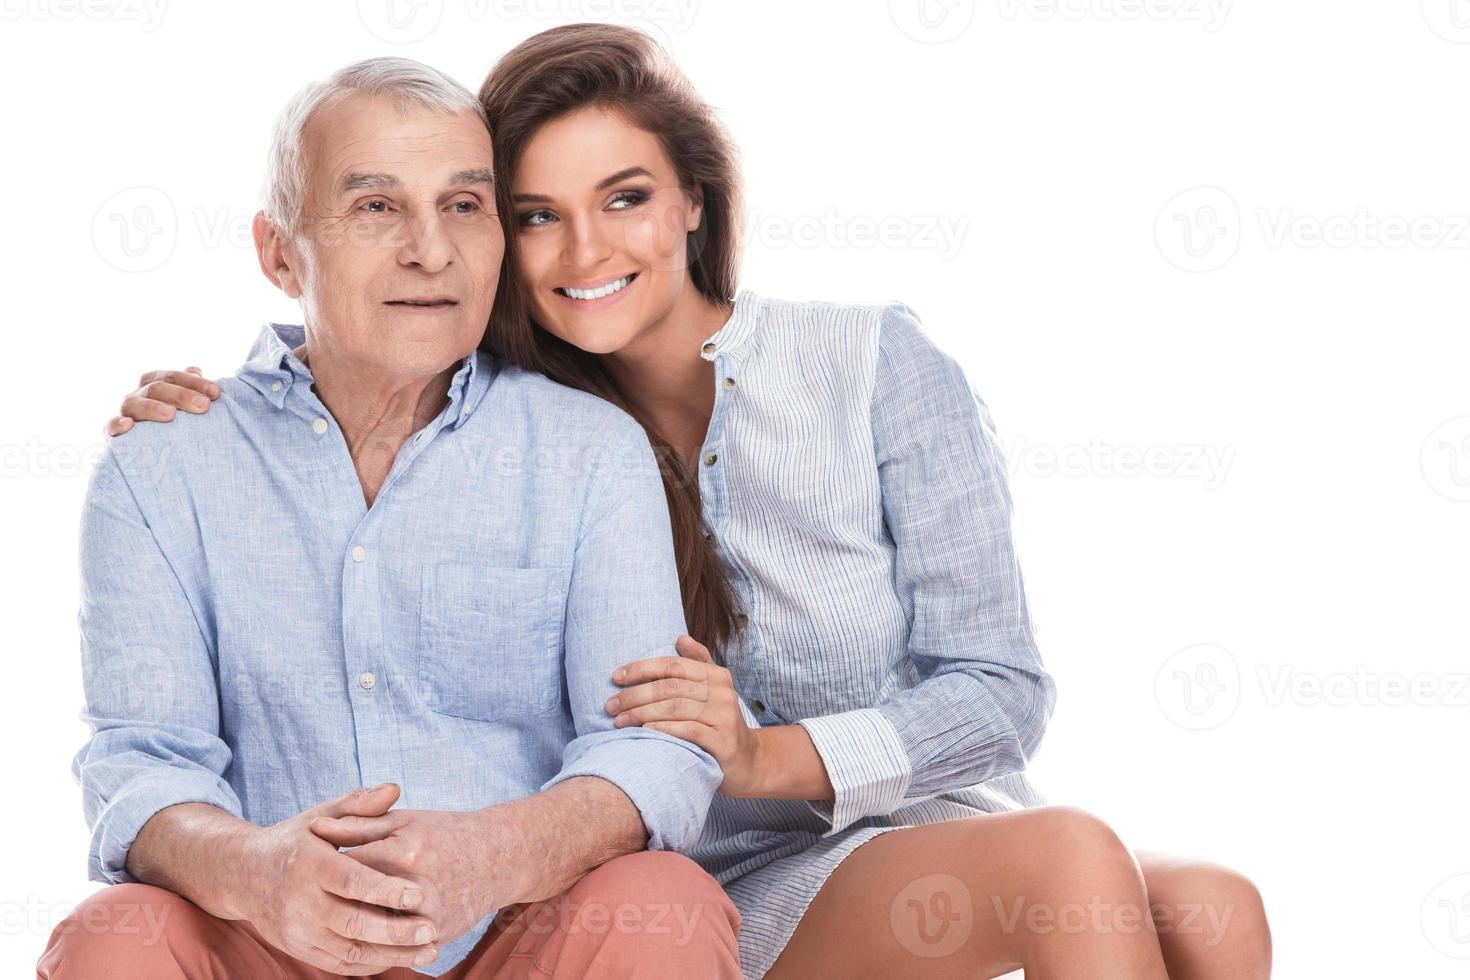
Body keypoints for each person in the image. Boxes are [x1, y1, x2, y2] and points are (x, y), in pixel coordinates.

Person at [103, 25, 1271, 979]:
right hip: (710, 865)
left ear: (695, 202)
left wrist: (764, 757)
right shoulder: (527, 409)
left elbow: (1001, 689)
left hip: (902, 813)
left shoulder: (865, 369)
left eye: (624, 198)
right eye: (533, 213)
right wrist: (216, 412)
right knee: (1071, 861)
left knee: (1217, 911)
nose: (582, 249)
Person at [41, 57, 743, 979]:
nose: (431, 250)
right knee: (111, 937)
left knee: (665, 904)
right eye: (376, 208)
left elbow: (650, 751)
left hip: (514, 934)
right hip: (267, 942)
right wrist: (256, 872)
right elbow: (142, 761)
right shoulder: (165, 464)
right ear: (278, 251)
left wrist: (494, 853)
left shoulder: (591, 451)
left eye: (463, 206)